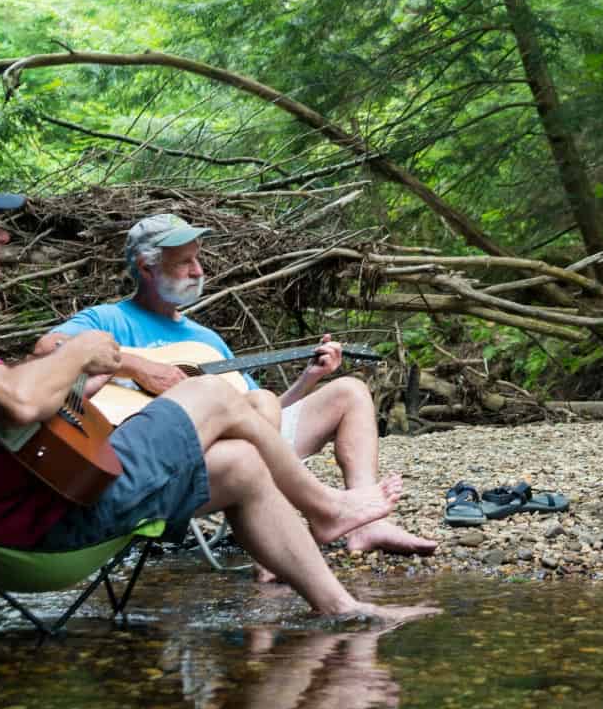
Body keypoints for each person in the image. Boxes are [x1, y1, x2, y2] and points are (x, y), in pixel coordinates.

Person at [0, 166, 432, 622]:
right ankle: (327, 509)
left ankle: (341, 607)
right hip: (49, 518)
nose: (1, 236)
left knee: (241, 464)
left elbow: (5, 410)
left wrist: (80, 381)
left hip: (31, 509)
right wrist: (85, 351)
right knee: (212, 396)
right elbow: (21, 402)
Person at [35, 213, 435, 556]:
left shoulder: (204, 340)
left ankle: (363, 523)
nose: (198, 271)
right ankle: (285, 539)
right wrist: (137, 367)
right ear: (146, 268)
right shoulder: (107, 320)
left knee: (349, 392)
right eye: (185, 262)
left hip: (251, 441)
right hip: (172, 460)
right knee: (257, 407)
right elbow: (47, 349)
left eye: (198, 259)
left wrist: (308, 379)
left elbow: (258, 413)